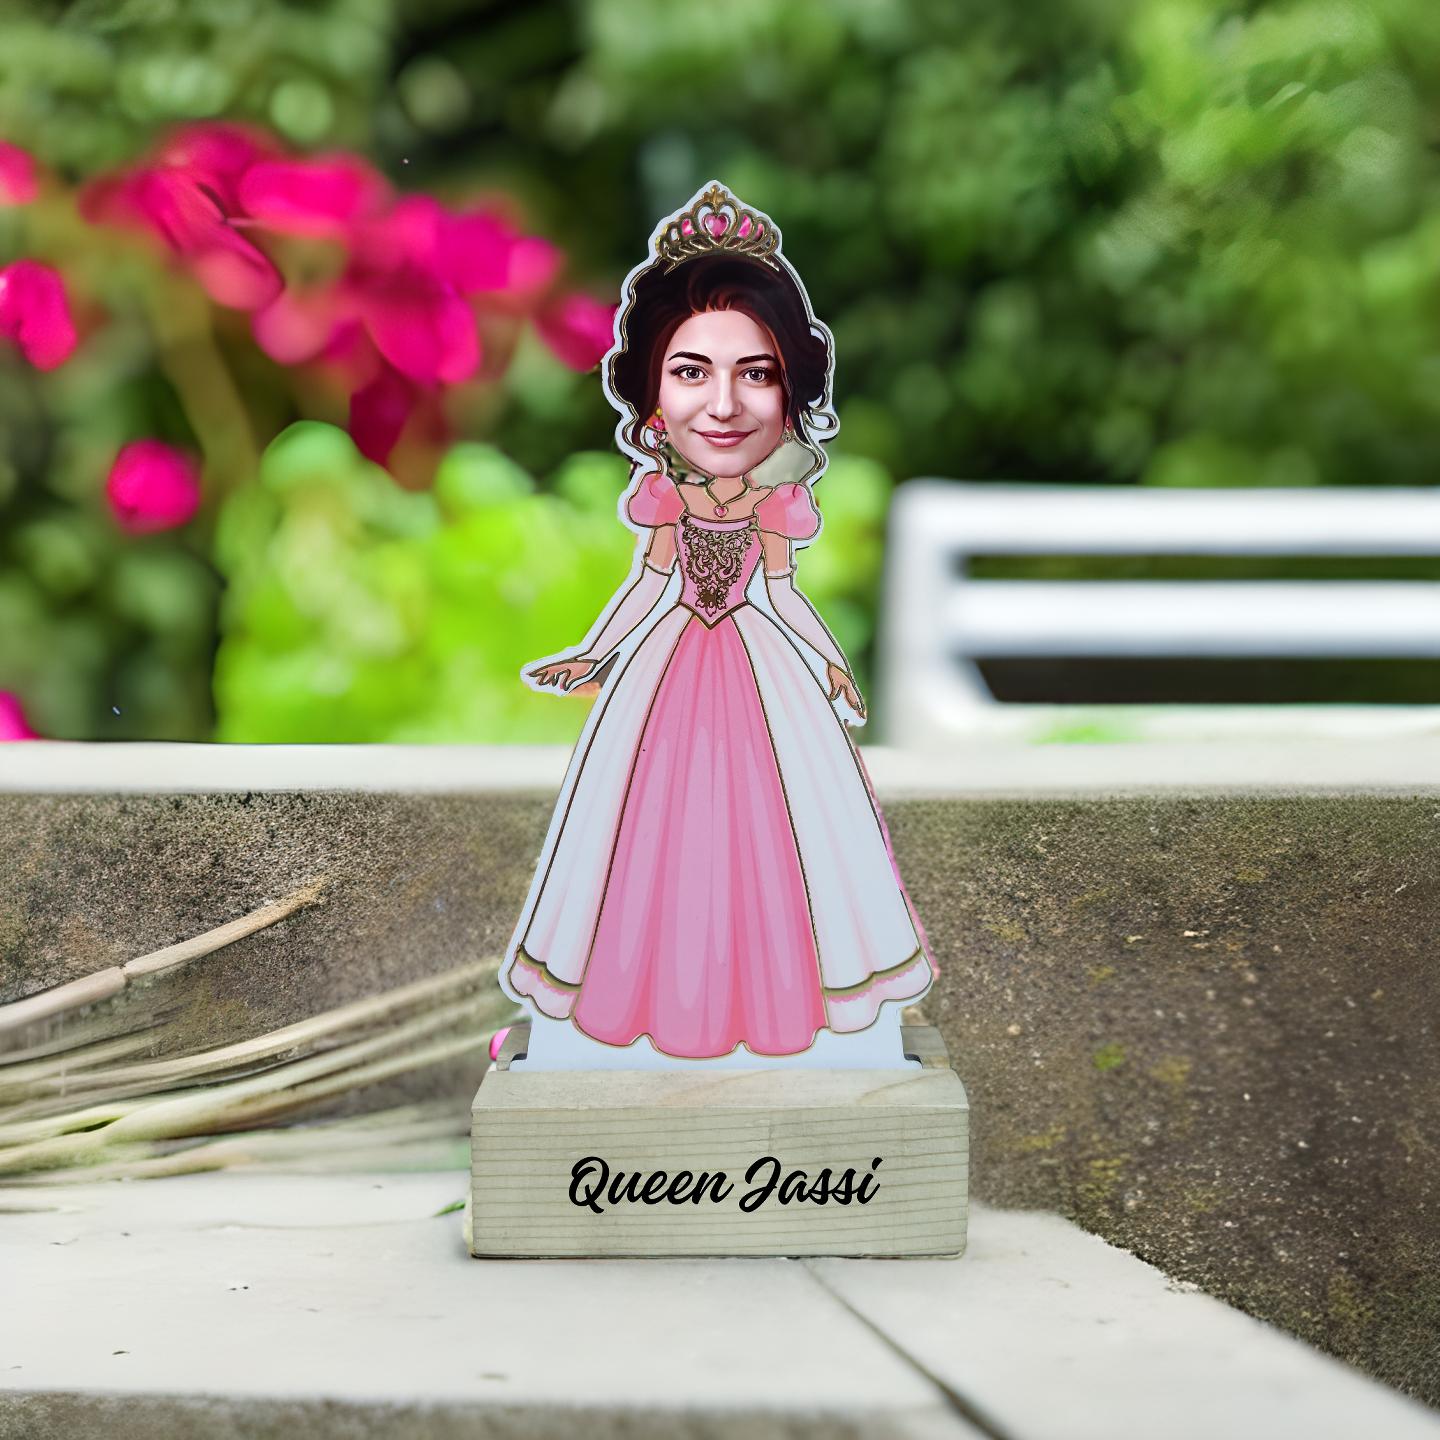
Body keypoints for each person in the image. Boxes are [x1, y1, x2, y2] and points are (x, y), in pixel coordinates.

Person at [500, 182, 934, 1070]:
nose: (725, 404)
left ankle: (778, 1006)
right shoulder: (664, 496)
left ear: (791, 392)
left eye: (757, 373)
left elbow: (784, 595)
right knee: (646, 832)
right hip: (663, 675)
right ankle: (640, 1006)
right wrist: (594, 653)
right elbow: (648, 583)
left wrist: (832, 666)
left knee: (780, 833)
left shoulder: (778, 503)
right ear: (652, 398)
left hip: (760, 669)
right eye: (692, 372)